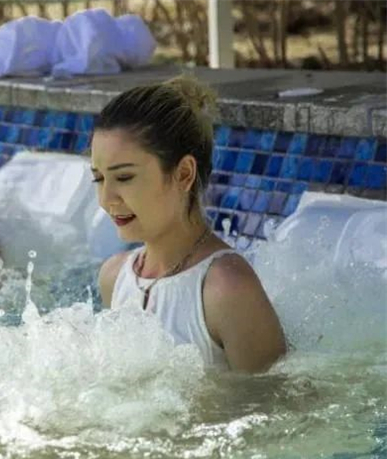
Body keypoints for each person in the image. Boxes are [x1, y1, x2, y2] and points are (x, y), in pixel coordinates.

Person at [92, 77, 286, 373]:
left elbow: (276, 400)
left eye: (124, 177)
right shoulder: (114, 277)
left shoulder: (226, 289)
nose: (106, 199)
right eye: (98, 178)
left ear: (184, 174)